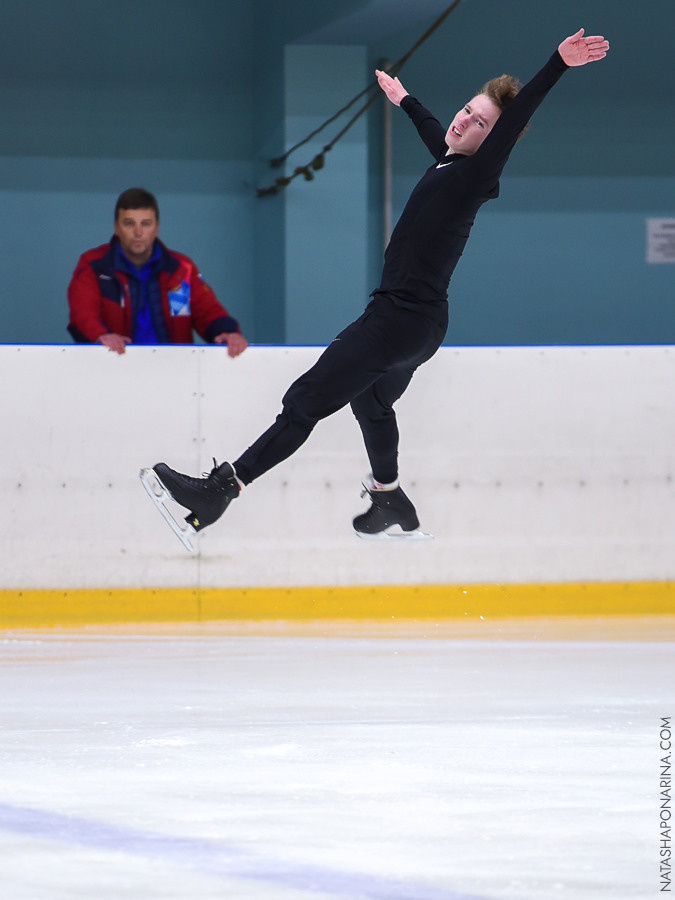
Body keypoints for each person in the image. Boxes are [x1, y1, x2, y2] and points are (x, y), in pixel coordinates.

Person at [144, 28, 609, 542]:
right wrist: (405, 99)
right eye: (467, 109)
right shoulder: (450, 162)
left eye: (480, 122)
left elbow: (515, 119)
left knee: (304, 401)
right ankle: (390, 499)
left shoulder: (476, 175)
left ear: (491, 140)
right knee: (370, 401)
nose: (464, 120)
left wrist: (557, 64)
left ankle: (218, 493)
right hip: (423, 326)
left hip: (398, 319)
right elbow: (437, 131)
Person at [67, 187, 248, 357]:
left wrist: (228, 333)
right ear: (116, 227)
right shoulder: (94, 265)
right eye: (129, 223)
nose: (138, 232)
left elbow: (208, 311)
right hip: (114, 369)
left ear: (157, 227)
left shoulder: (181, 269)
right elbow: (82, 315)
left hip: (176, 374)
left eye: (146, 224)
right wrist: (101, 335)